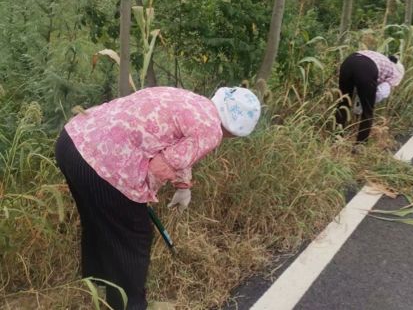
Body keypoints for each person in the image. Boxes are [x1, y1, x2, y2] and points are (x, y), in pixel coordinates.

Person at [55, 86, 261, 310]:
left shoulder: (191, 101)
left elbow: (177, 149)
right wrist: (141, 194)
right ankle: (128, 305)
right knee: (135, 236)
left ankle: (98, 283)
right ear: (235, 131)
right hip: (105, 165)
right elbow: (160, 166)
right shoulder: (212, 131)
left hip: (73, 141)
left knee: (98, 222)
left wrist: (183, 185)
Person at [335, 50, 404, 143]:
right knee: (368, 111)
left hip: (349, 61)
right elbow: (381, 93)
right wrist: (365, 105)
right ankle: (360, 145)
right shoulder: (396, 74)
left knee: (343, 102)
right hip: (367, 68)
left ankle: (337, 137)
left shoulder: (382, 58)